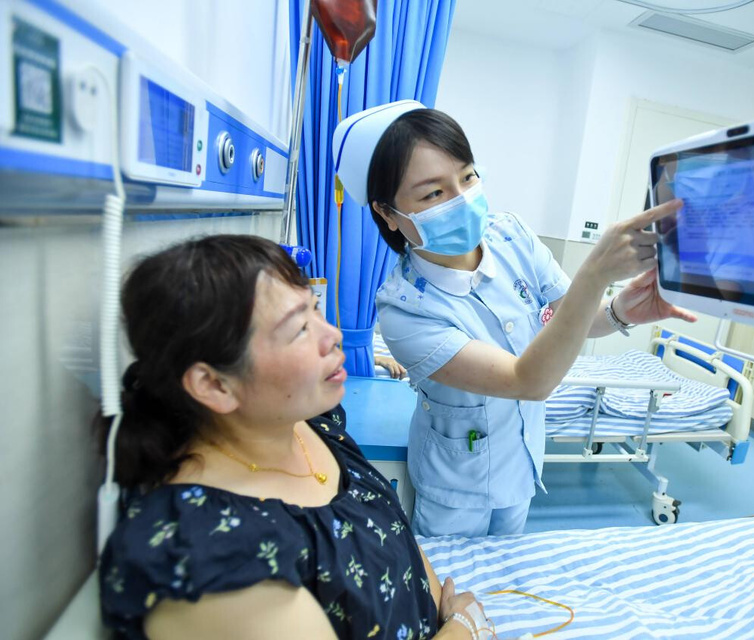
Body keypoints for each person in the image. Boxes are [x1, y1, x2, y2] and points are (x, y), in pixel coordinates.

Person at [332, 100, 695, 538]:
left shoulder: (511, 235)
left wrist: (620, 311)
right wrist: (595, 273)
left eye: (468, 176)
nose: (462, 199)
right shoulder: (404, 308)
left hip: (520, 467)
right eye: (433, 194)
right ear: (388, 213)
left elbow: (569, 318)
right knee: (454, 576)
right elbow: (528, 381)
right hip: (455, 489)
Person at [98, 235, 489, 639]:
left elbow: (388, 530)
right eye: (300, 329)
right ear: (214, 385)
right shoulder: (207, 554)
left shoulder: (309, 424)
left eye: (315, 309)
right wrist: (463, 629)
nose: (333, 335)